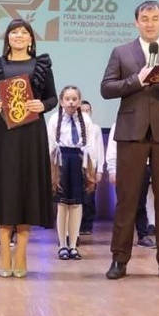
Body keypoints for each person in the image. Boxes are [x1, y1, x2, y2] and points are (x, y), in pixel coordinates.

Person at [100, 0, 159, 281]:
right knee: (127, 198)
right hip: (132, 130)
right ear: (136, 22)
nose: (150, 23)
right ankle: (119, 259)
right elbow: (106, 88)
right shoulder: (121, 52)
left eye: (155, 18)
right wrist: (137, 81)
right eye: (145, 18)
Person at [0, 18, 57, 279]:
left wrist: (42, 105)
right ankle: (4, 253)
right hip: (2, 135)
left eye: (24, 32)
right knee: (4, 190)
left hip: (31, 135)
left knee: (26, 189)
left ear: (31, 38)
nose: (19, 36)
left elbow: (52, 98)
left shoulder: (40, 65)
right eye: (14, 32)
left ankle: (21, 254)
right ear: (8, 38)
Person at [48, 85, 102, 260]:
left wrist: (90, 168)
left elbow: (91, 145)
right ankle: (62, 244)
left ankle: (73, 245)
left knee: (77, 204)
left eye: (74, 99)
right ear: (61, 101)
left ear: (79, 101)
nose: (71, 102)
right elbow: (50, 145)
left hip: (78, 160)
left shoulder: (85, 119)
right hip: (61, 160)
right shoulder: (54, 119)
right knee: (62, 204)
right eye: (67, 99)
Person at [77, 100, 105, 237]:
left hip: (90, 166)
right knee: (77, 197)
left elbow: (99, 148)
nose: (85, 113)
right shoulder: (73, 127)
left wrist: (99, 169)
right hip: (76, 164)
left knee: (89, 197)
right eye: (82, 110)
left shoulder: (95, 128)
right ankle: (76, 225)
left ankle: (87, 224)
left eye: (87, 110)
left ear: (91, 112)